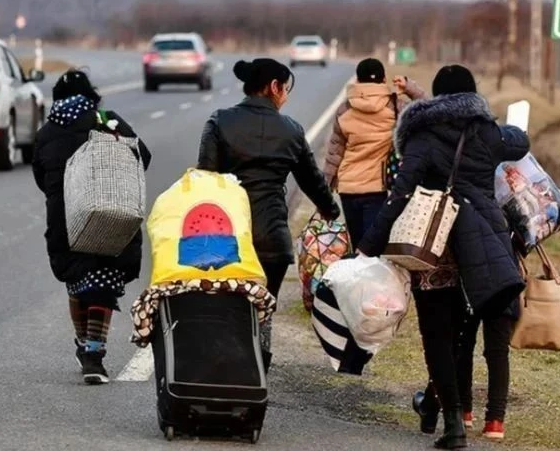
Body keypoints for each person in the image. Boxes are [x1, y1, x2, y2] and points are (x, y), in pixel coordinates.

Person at [359, 65, 529, 448]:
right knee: (462, 334)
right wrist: (501, 123)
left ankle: (453, 421)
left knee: (438, 335)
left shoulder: (422, 134)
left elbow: (400, 193)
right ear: (471, 95)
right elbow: (520, 143)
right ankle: (441, 407)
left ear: (437, 96)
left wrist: (369, 244)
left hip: (431, 247)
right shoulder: (487, 132)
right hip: (479, 247)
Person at [197, 58, 340, 372]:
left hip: (225, 236)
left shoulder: (220, 121)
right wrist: (330, 210)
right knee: (262, 308)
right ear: (273, 87)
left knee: (225, 305)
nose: (285, 95)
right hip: (272, 241)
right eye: (285, 88)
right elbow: (312, 181)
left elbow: (204, 179)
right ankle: (257, 368)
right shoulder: (291, 131)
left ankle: (223, 367)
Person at [32, 69, 152, 385]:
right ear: (90, 95)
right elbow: (143, 156)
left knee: (77, 281)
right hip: (110, 213)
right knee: (103, 282)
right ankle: (93, 356)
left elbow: (40, 178)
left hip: (66, 221)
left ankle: (84, 344)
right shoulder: (106, 120)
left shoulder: (46, 133)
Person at [322, 58, 424, 249]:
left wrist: (324, 191)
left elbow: (335, 151)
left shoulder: (345, 109)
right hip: (377, 188)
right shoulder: (395, 106)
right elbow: (428, 109)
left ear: (357, 80)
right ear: (383, 79)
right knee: (373, 248)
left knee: (357, 246)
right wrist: (409, 87)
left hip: (348, 187)